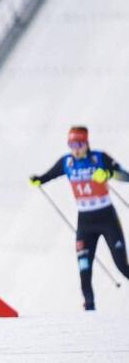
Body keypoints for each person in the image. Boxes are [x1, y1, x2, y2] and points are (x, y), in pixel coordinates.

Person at [29, 126, 129, 310]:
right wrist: (38, 179)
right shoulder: (66, 163)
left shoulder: (99, 158)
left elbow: (126, 176)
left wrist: (108, 174)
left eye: (79, 144)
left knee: (123, 267)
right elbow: (48, 176)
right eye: (71, 144)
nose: (75, 149)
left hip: (106, 218)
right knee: (84, 269)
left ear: (87, 143)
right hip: (85, 223)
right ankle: (89, 309)